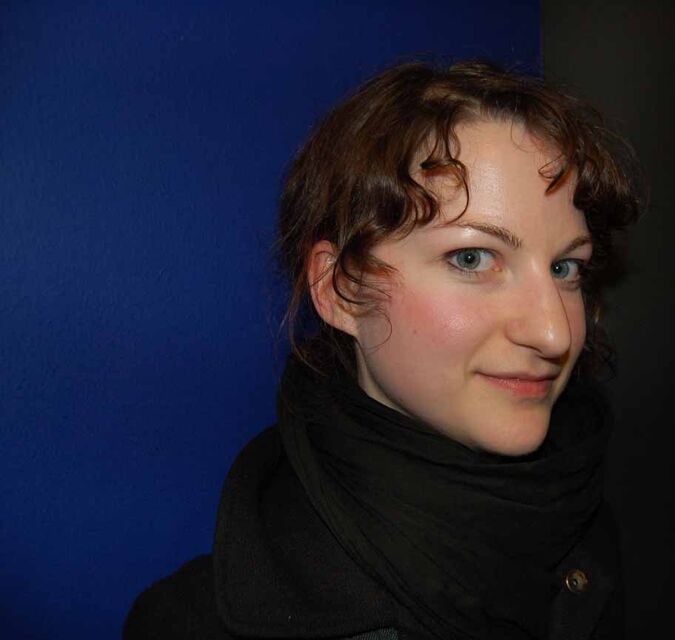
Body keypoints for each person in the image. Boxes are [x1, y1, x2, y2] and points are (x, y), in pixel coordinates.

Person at [124, 60, 642, 640]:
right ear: (341, 289)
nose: (555, 333)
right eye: (472, 258)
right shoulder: (192, 625)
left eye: (566, 267)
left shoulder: (579, 511)